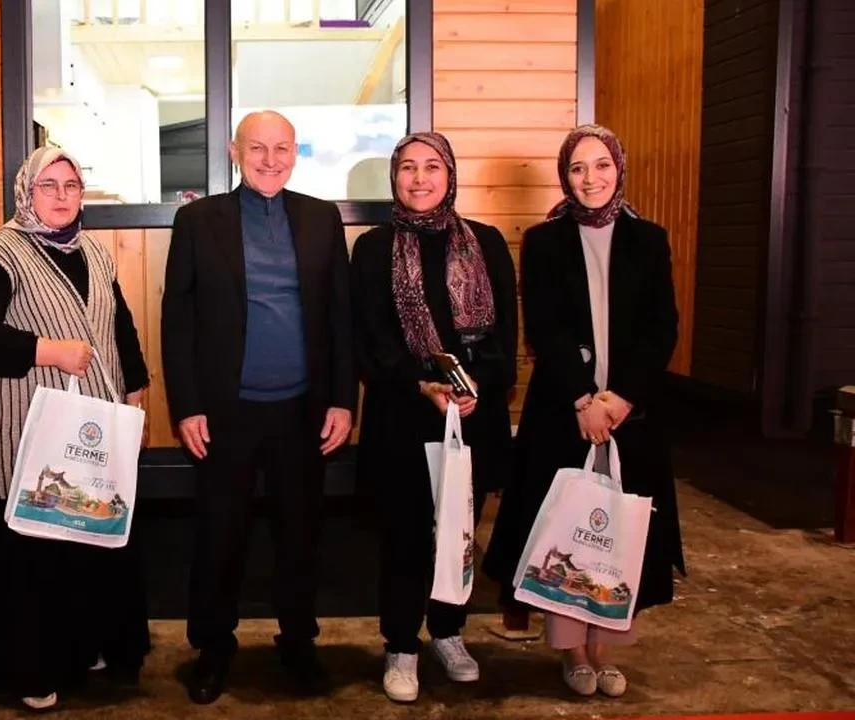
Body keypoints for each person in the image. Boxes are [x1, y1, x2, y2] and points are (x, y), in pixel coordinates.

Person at [482, 124, 684, 698]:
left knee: (620, 531)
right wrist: (582, 399)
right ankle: (572, 651)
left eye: (601, 165)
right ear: (564, 176)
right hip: (563, 411)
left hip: (631, 415)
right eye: (577, 168)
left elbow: (661, 328)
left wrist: (619, 398)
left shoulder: (650, 239)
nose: (590, 178)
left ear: (619, 168)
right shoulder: (545, 242)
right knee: (565, 532)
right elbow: (545, 327)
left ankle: (605, 649)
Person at [161, 110, 356, 704]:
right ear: (234, 151)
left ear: (296, 152)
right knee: (220, 536)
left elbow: (340, 318)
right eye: (257, 148)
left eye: (282, 148)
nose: (270, 160)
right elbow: (178, 321)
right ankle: (213, 649)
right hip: (225, 412)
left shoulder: (322, 218)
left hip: (303, 410)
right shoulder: (198, 220)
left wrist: (343, 400)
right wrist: (187, 406)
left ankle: (298, 643)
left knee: (301, 534)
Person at [0, 147, 151, 711]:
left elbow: (119, 325)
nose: (62, 196)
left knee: (87, 539)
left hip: (91, 428)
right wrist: (47, 350)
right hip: (23, 427)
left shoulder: (93, 252)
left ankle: (84, 648)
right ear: (26, 192)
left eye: (71, 185)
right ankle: (31, 669)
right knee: (32, 554)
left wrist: (135, 393)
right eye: (49, 185)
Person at [350, 132, 517, 703]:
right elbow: (370, 339)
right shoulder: (372, 248)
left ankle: (448, 632)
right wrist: (420, 383)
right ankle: (401, 644)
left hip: (472, 416)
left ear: (450, 175)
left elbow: (506, 335)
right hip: (403, 414)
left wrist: (479, 386)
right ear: (394, 178)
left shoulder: (487, 243)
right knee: (403, 537)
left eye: (432, 167)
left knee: (459, 533)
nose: (420, 178)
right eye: (408, 168)